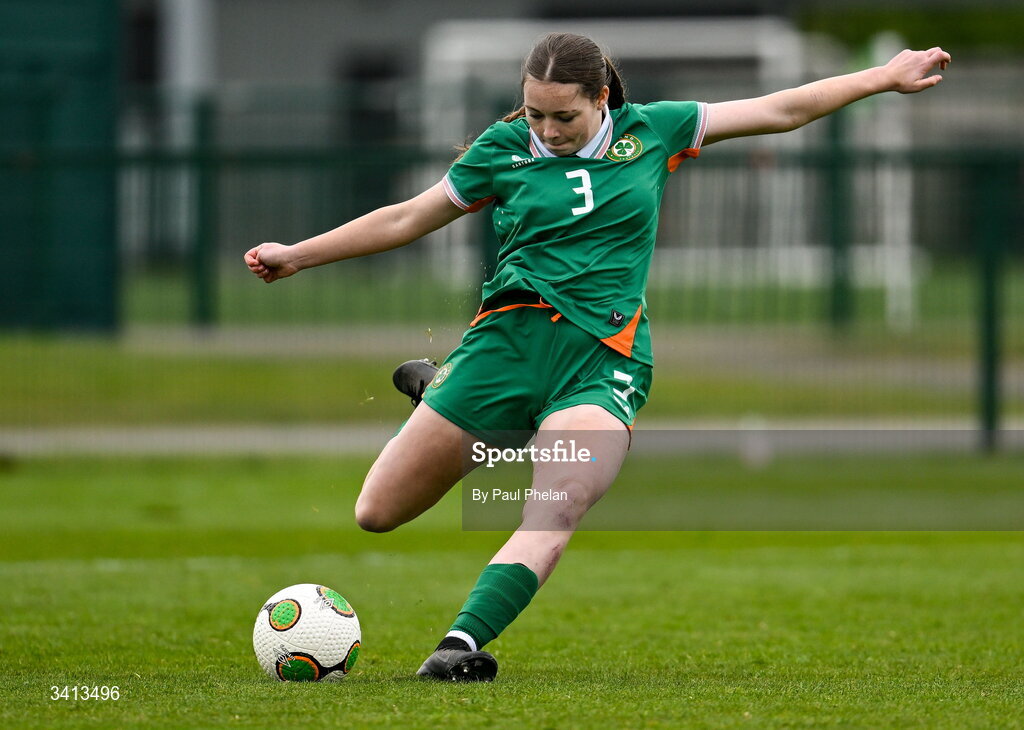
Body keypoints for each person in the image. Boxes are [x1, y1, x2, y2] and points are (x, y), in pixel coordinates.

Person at [244, 33, 950, 681]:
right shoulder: (502, 149)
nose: (547, 132)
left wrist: (884, 77)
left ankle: (460, 647)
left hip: (601, 361)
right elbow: (405, 217)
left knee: (557, 502)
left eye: (563, 118)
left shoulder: (656, 130)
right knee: (376, 511)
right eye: (534, 116)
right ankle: (446, 395)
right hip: (506, 345)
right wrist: (297, 256)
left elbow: (784, 108)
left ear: (601, 99)